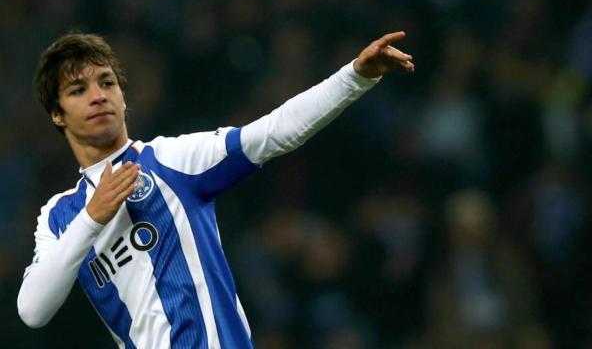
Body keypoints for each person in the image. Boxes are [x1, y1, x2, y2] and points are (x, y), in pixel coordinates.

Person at [17, 30, 414, 348]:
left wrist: (356, 76)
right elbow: (33, 310)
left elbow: (272, 133)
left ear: (123, 96)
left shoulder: (173, 161)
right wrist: (92, 217)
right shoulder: (59, 217)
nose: (98, 95)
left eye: (106, 82)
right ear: (57, 114)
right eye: (78, 90)